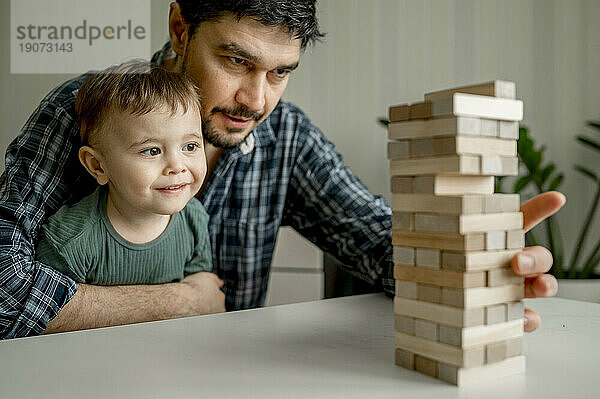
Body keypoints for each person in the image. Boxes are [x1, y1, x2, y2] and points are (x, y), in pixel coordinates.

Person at [0, 0, 562, 339]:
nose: (255, 100)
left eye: (280, 72)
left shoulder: (283, 133)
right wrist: (180, 303)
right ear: (179, 28)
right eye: (236, 61)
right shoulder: (85, 111)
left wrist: (468, 263)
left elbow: (373, 237)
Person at [36, 60, 213, 286]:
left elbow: (200, 294)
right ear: (98, 166)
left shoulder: (194, 219)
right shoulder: (69, 242)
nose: (177, 166)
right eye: (152, 150)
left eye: (190, 147)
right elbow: (55, 317)